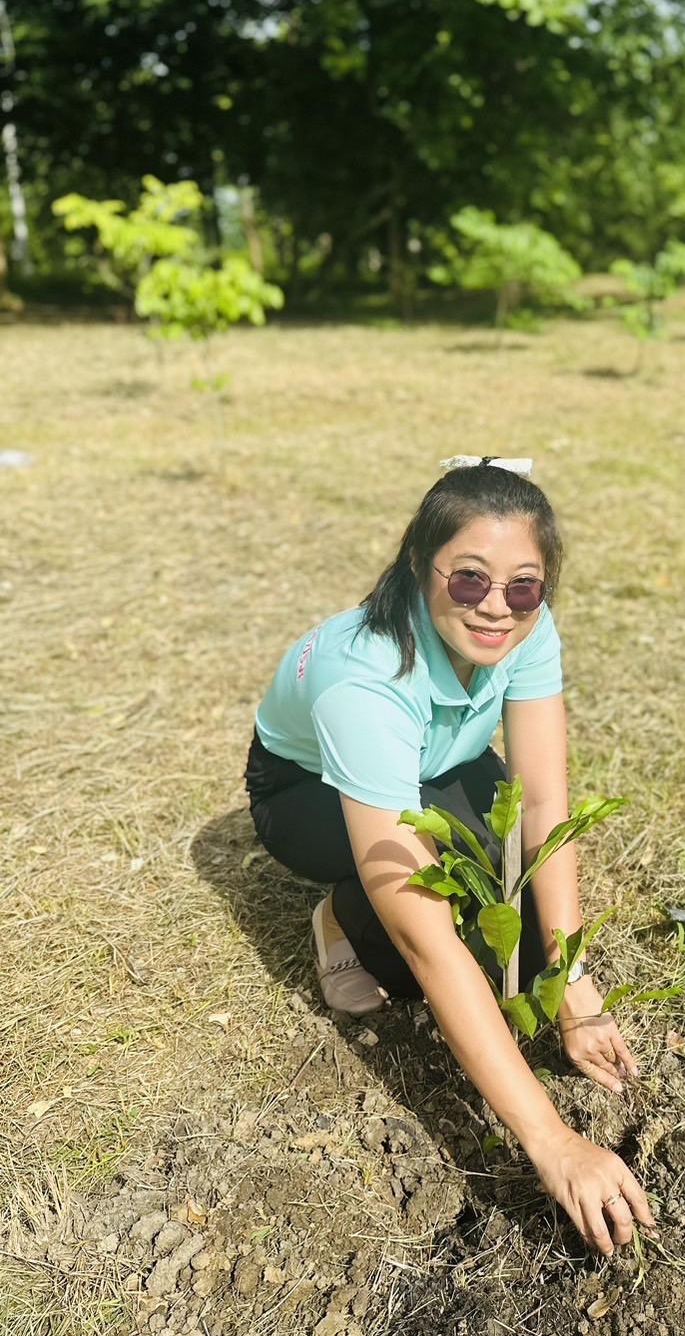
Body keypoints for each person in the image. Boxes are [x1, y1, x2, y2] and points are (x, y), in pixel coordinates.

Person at [243, 455, 656, 1256]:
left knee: (528, 940)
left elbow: (542, 802)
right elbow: (425, 940)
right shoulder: (361, 677)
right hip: (307, 793)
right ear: (417, 565)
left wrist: (572, 980)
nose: (496, 608)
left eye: (523, 586)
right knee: (433, 944)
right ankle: (339, 914)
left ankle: (419, 894)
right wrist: (553, 1140)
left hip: (432, 762)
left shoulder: (525, 628)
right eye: (468, 580)